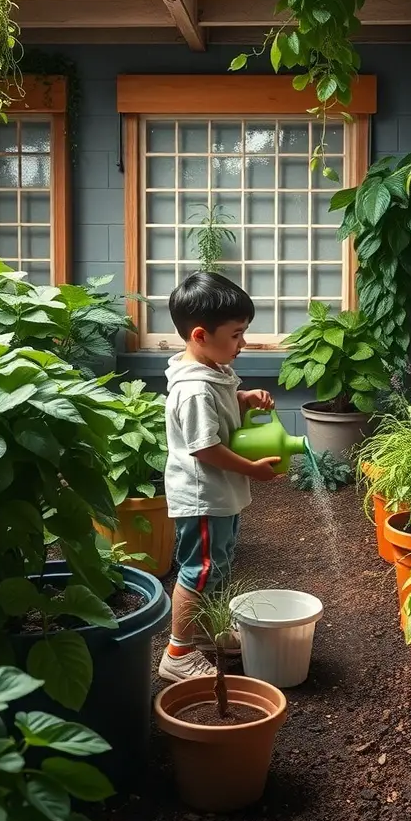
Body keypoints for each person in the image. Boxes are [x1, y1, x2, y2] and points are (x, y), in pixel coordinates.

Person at [158, 271, 281, 682]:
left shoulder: (214, 370)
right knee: (200, 570)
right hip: (202, 496)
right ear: (200, 334)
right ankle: (178, 653)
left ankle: (208, 632)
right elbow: (204, 447)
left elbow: (221, 416)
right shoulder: (194, 389)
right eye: (236, 334)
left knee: (219, 564)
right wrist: (252, 470)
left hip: (219, 494)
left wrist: (243, 399)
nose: (242, 343)